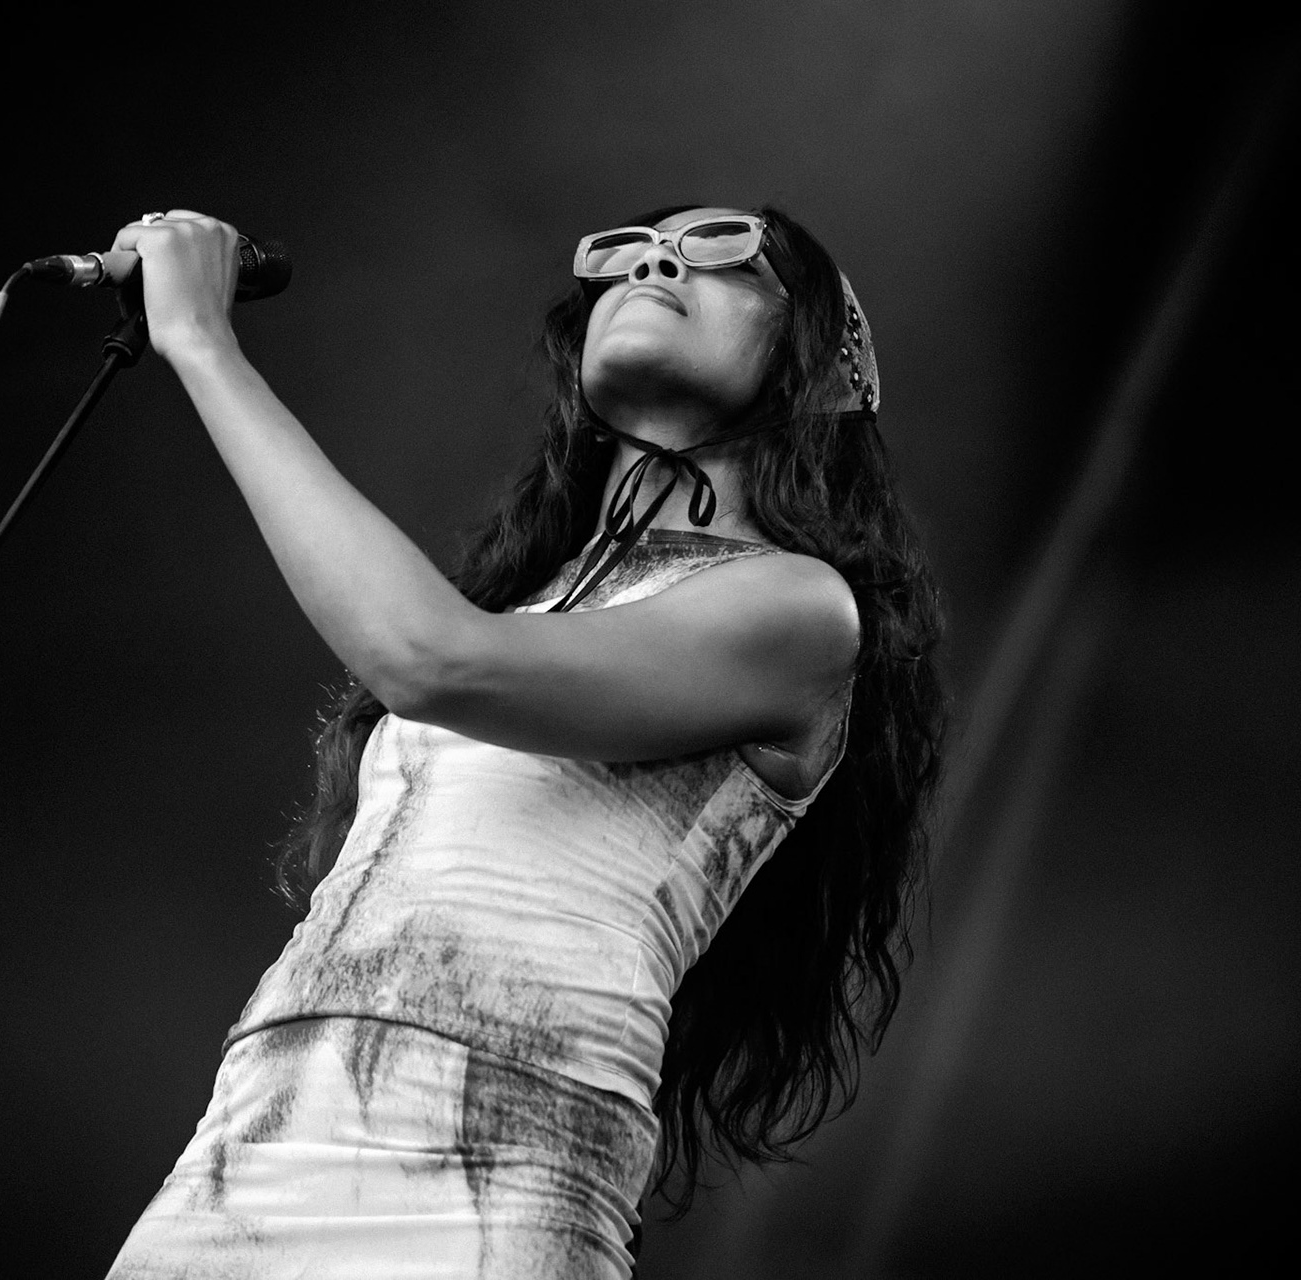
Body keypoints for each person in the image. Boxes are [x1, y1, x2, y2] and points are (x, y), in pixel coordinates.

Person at [104, 204, 943, 1279]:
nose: (655, 260)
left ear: (823, 366)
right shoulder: (530, 605)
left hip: (495, 1162)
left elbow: (429, 656)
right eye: (631, 253)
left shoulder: (797, 611)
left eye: (724, 252)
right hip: (251, 1138)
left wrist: (202, 343)